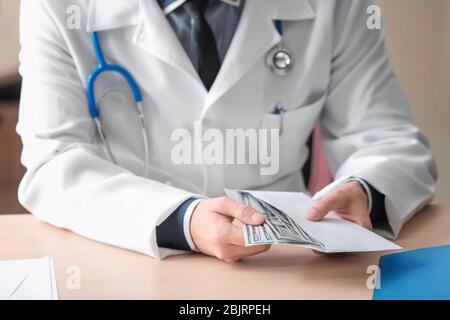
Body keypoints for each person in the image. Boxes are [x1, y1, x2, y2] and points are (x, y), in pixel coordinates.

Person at [17, 0, 437, 261]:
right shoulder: (57, 5)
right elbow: (52, 163)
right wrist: (181, 220)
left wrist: (365, 188)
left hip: (284, 262)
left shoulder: (337, 6)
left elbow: (390, 140)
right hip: (129, 251)